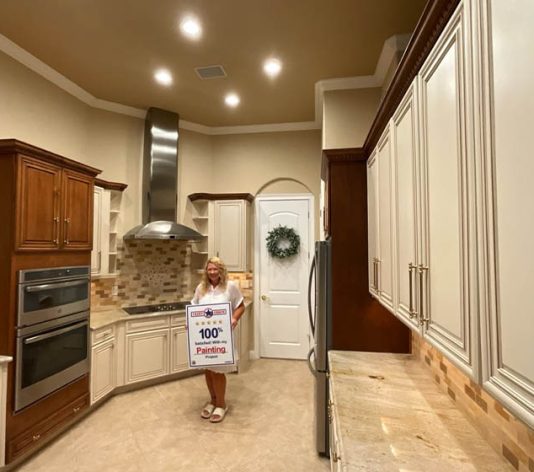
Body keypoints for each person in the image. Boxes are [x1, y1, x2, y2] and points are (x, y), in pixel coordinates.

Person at [190, 257, 245, 423]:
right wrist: (190, 323)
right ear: (206, 271)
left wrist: (234, 319)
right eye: (209, 269)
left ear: (221, 270)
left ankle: (221, 404)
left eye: (215, 269)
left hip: (222, 337)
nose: (212, 272)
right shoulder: (201, 288)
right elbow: (194, 307)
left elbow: (240, 306)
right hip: (205, 339)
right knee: (208, 369)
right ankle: (212, 400)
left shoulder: (230, 287)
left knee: (218, 371)